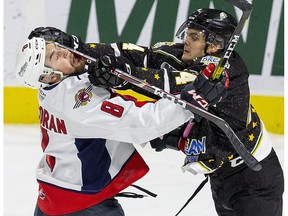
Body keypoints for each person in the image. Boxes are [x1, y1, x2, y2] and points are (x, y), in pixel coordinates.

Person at [27, 8, 284, 215]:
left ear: (215, 45)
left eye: (194, 37)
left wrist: (122, 76)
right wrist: (78, 49)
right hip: (220, 177)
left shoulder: (226, 74)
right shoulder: (182, 54)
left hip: (253, 179)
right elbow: (133, 53)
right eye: (188, 33)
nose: (186, 40)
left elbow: (182, 83)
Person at [15, 34, 226, 215]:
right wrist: (191, 102)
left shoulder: (50, 89)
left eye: (58, 47)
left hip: (54, 194)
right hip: (82, 204)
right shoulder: (77, 104)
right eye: (54, 56)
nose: (64, 51)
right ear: (48, 76)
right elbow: (140, 124)